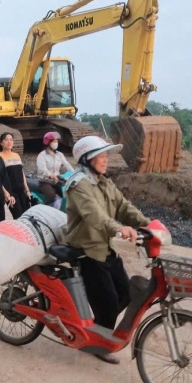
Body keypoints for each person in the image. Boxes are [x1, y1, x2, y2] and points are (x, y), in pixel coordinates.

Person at [65, 136, 151, 364]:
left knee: (126, 293)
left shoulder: (104, 182)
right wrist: (119, 228)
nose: (106, 160)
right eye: (101, 156)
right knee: (109, 301)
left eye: (106, 156)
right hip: (87, 250)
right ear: (87, 159)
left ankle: (95, 327)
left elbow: (123, 206)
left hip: (105, 247)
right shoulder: (79, 185)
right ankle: (96, 345)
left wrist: (146, 223)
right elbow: (95, 215)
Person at [0, 132, 31, 219]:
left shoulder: (16, 155)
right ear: (1, 143)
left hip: (21, 190)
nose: (9, 142)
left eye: (11, 140)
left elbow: (22, 173)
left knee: (27, 215)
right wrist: (7, 194)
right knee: (18, 216)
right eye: (6, 140)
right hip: (11, 192)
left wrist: (27, 190)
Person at [36, 131, 73, 208]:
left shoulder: (59, 154)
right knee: (51, 195)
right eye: (54, 141)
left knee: (67, 192)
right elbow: (42, 168)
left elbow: (67, 164)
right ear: (48, 142)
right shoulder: (42, 155)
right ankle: (44, 210)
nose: (56, 143)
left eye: (57, 141)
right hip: (45, 181)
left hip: (57, 180)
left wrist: (75, 173)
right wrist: (50, 175)